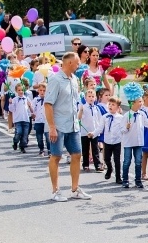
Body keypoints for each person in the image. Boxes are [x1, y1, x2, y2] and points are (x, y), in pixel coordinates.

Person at [44, 52, 90, 201]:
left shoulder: (75, 79)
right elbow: (48, 104)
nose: (79, 65)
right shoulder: (55, 80)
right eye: (77, 63)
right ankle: (55, 191)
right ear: (70, 63)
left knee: (77, 155)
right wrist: (52, 127)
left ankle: (75, 189)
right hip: (58, 125)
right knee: (56, 156)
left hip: (73, 124)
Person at [121, 95, 148, 189]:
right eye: (139, 102)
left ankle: (138, 180)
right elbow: (122, 130)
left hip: (139, 143)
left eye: (141, 101)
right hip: (129, 143)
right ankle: (125, 180)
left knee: (138, 161)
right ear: (132, 103)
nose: (141, 103)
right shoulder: (126, 116)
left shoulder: (142, 114)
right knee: (127, 161)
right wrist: (126, 127)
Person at [78, 89, 103, 172]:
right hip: (85, 132)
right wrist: (81, 110)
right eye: (89, 96)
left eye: (93, 96)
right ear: (85, 98)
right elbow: (79, 118)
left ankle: (97, 165)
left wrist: (99, 130)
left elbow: (99, 119)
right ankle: (85, 164)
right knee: (85, 149)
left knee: (95, 149)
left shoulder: (96, 108)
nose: (91, 98)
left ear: (95, 98)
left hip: (94, 132)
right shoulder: (83, 107)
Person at [102, 97, 123, 184]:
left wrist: (127, 127)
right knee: (106, 158)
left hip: (117, 142)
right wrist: (93, 133)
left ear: (118, 107)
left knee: (117, 159)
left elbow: (123, 129)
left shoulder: (121, 118)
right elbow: (100, 128)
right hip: (107, 142)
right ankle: (109, 169)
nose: (110, 106)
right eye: (109, 104)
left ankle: (118, 177)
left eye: (113, 104)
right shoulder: (105, 117)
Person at [10, 82, 33, 153]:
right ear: (16, 91)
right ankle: (15, 141)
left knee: (25, 134)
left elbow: (31, 110)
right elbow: (12, 110)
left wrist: (30, 106)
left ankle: (22, 146)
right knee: (19, 132)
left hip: (26, 119)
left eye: (22, 90)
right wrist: (10, 103)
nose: (21, 91)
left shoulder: (27, 99)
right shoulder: (14, 99)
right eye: (19, 90)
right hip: (18, 120)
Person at [32, 83, 49, 156]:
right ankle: (41, 149)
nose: (42, 92)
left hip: (46, 121)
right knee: (39, 137)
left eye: (44, 90)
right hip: (38, 121)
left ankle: (49, 150)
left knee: (48, 137)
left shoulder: (48, 99)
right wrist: (32, 113)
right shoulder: (35, 100)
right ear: (38, 91)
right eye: (41, 90)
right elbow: (33, 109)